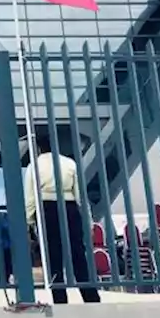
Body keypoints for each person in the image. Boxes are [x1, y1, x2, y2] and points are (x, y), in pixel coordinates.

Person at [26, 127, 99, 304]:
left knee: (53, 255)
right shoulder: (69, 163)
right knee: (77, 253)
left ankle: (59, 297)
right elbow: (81, 195)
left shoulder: (34, 165)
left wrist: (29, 221)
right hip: (70, 207)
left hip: (47, 209)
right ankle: (90, 295)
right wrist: (88, 221)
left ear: (39, 149)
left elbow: (30, 197)